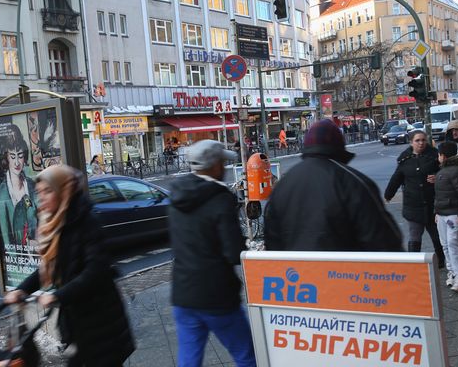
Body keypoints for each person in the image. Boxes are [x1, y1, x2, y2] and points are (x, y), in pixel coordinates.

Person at [4, 165, 135, 366]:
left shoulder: (86, 221)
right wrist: (22, 290)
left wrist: (58, 295)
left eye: (48, 191)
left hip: (101, 321)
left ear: (64, 190)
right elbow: (48, 268)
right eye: (39, 193)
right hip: (76, 322)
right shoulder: (55, 223)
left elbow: (95, 271)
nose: (42, 198)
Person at [167, 140, 256, 367]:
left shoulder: (176, 195)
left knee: (189, 359)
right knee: (246, 353)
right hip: (216, 295)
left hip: (183, 293)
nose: (225, 168)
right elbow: (232, 251)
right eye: (222, 162)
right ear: (214, 165)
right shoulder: (220, 198)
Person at [264, 119, 403, 251]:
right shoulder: (354, 183)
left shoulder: (283, 185)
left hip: (296, 273)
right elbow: (384, 241)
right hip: (344, 273)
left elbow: (272, 242)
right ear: (339, 145)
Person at [385, 131, 446, 267]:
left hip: (432, 204)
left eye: (423, 140)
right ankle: (414, 265)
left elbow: (447, 172)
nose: (421, 143)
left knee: (436, 236)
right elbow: (396, 178)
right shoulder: (404, 160)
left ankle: (441, 261)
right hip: (413, 205)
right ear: (411, 142)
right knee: (414, 236)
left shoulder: (435, 156)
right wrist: (388, 195)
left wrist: (438, 176)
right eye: (417, 140)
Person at [435, 141, 458, 292]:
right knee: (445, 245)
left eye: (439, 154)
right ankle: (453, 272)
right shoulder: (442, 170)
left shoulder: (456, 170)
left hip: (453, 215)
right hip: (442, 214)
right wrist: (436, 213)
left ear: (443, 156)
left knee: (452, 244)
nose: (438, 157)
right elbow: (439, 195)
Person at [0, 123, 38, 249]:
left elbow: (41, 216)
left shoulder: (30, 184)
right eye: (12, 157)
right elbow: (5, 234)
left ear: (24, 158)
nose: (16, 162)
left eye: (20, 156)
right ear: (6, 159)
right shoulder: (3, 191)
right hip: (19, 259)